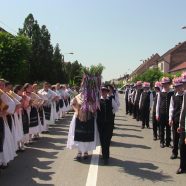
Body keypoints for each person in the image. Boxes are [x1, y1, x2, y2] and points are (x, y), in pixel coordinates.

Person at [67, 93, 99, 160]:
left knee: (87, 135)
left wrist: (92, 109)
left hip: (89, 117)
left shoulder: (92, 96)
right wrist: (76, 111)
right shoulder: (78, 96)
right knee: (78, 135)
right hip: (79, 117)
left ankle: (85, 152)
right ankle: (79, 152)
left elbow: (95, 107)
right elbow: (73, 104)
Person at [97, 86, 118, 165]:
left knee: (107, 140)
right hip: (100, 123)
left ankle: (106, 157)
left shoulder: (110, 99)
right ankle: (104, 154)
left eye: (105, 91)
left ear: (107, 92)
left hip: (109, 123)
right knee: (102, 140)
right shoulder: (98, 100)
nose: (104, 92)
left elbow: (116, 108)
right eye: (102, 91)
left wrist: (110, 114)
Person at [156, 77, 174, 148]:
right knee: (161, 128)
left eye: (166, 84)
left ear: (169, 84)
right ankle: (162, 142)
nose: (165, 85)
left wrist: (171, 116)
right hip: (162, 113)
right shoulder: (160, 93)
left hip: (169, 114)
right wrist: (157, 114)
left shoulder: (172, 92)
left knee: (169, 129)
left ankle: (168, 142)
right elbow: (158, 104)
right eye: (163, 84)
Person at [169, 77, 184, 159]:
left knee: (183, 139)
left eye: (179, 86)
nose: (178, 88)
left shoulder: (185, 96)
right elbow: (171, 109)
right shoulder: (173, 97)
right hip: (175, 119)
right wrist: (170, 119)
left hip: (183, 121)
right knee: (175, 137)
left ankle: (183, 154)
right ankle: (174, 152)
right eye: (176, 86)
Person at [176, 72, 186, 174]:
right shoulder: (185, 93)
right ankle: (182, 166)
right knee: (182, 146)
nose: (183, 85)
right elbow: (183, 110)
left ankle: (183, 167)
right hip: (183, 125)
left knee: (182, 146)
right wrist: (180, 124)